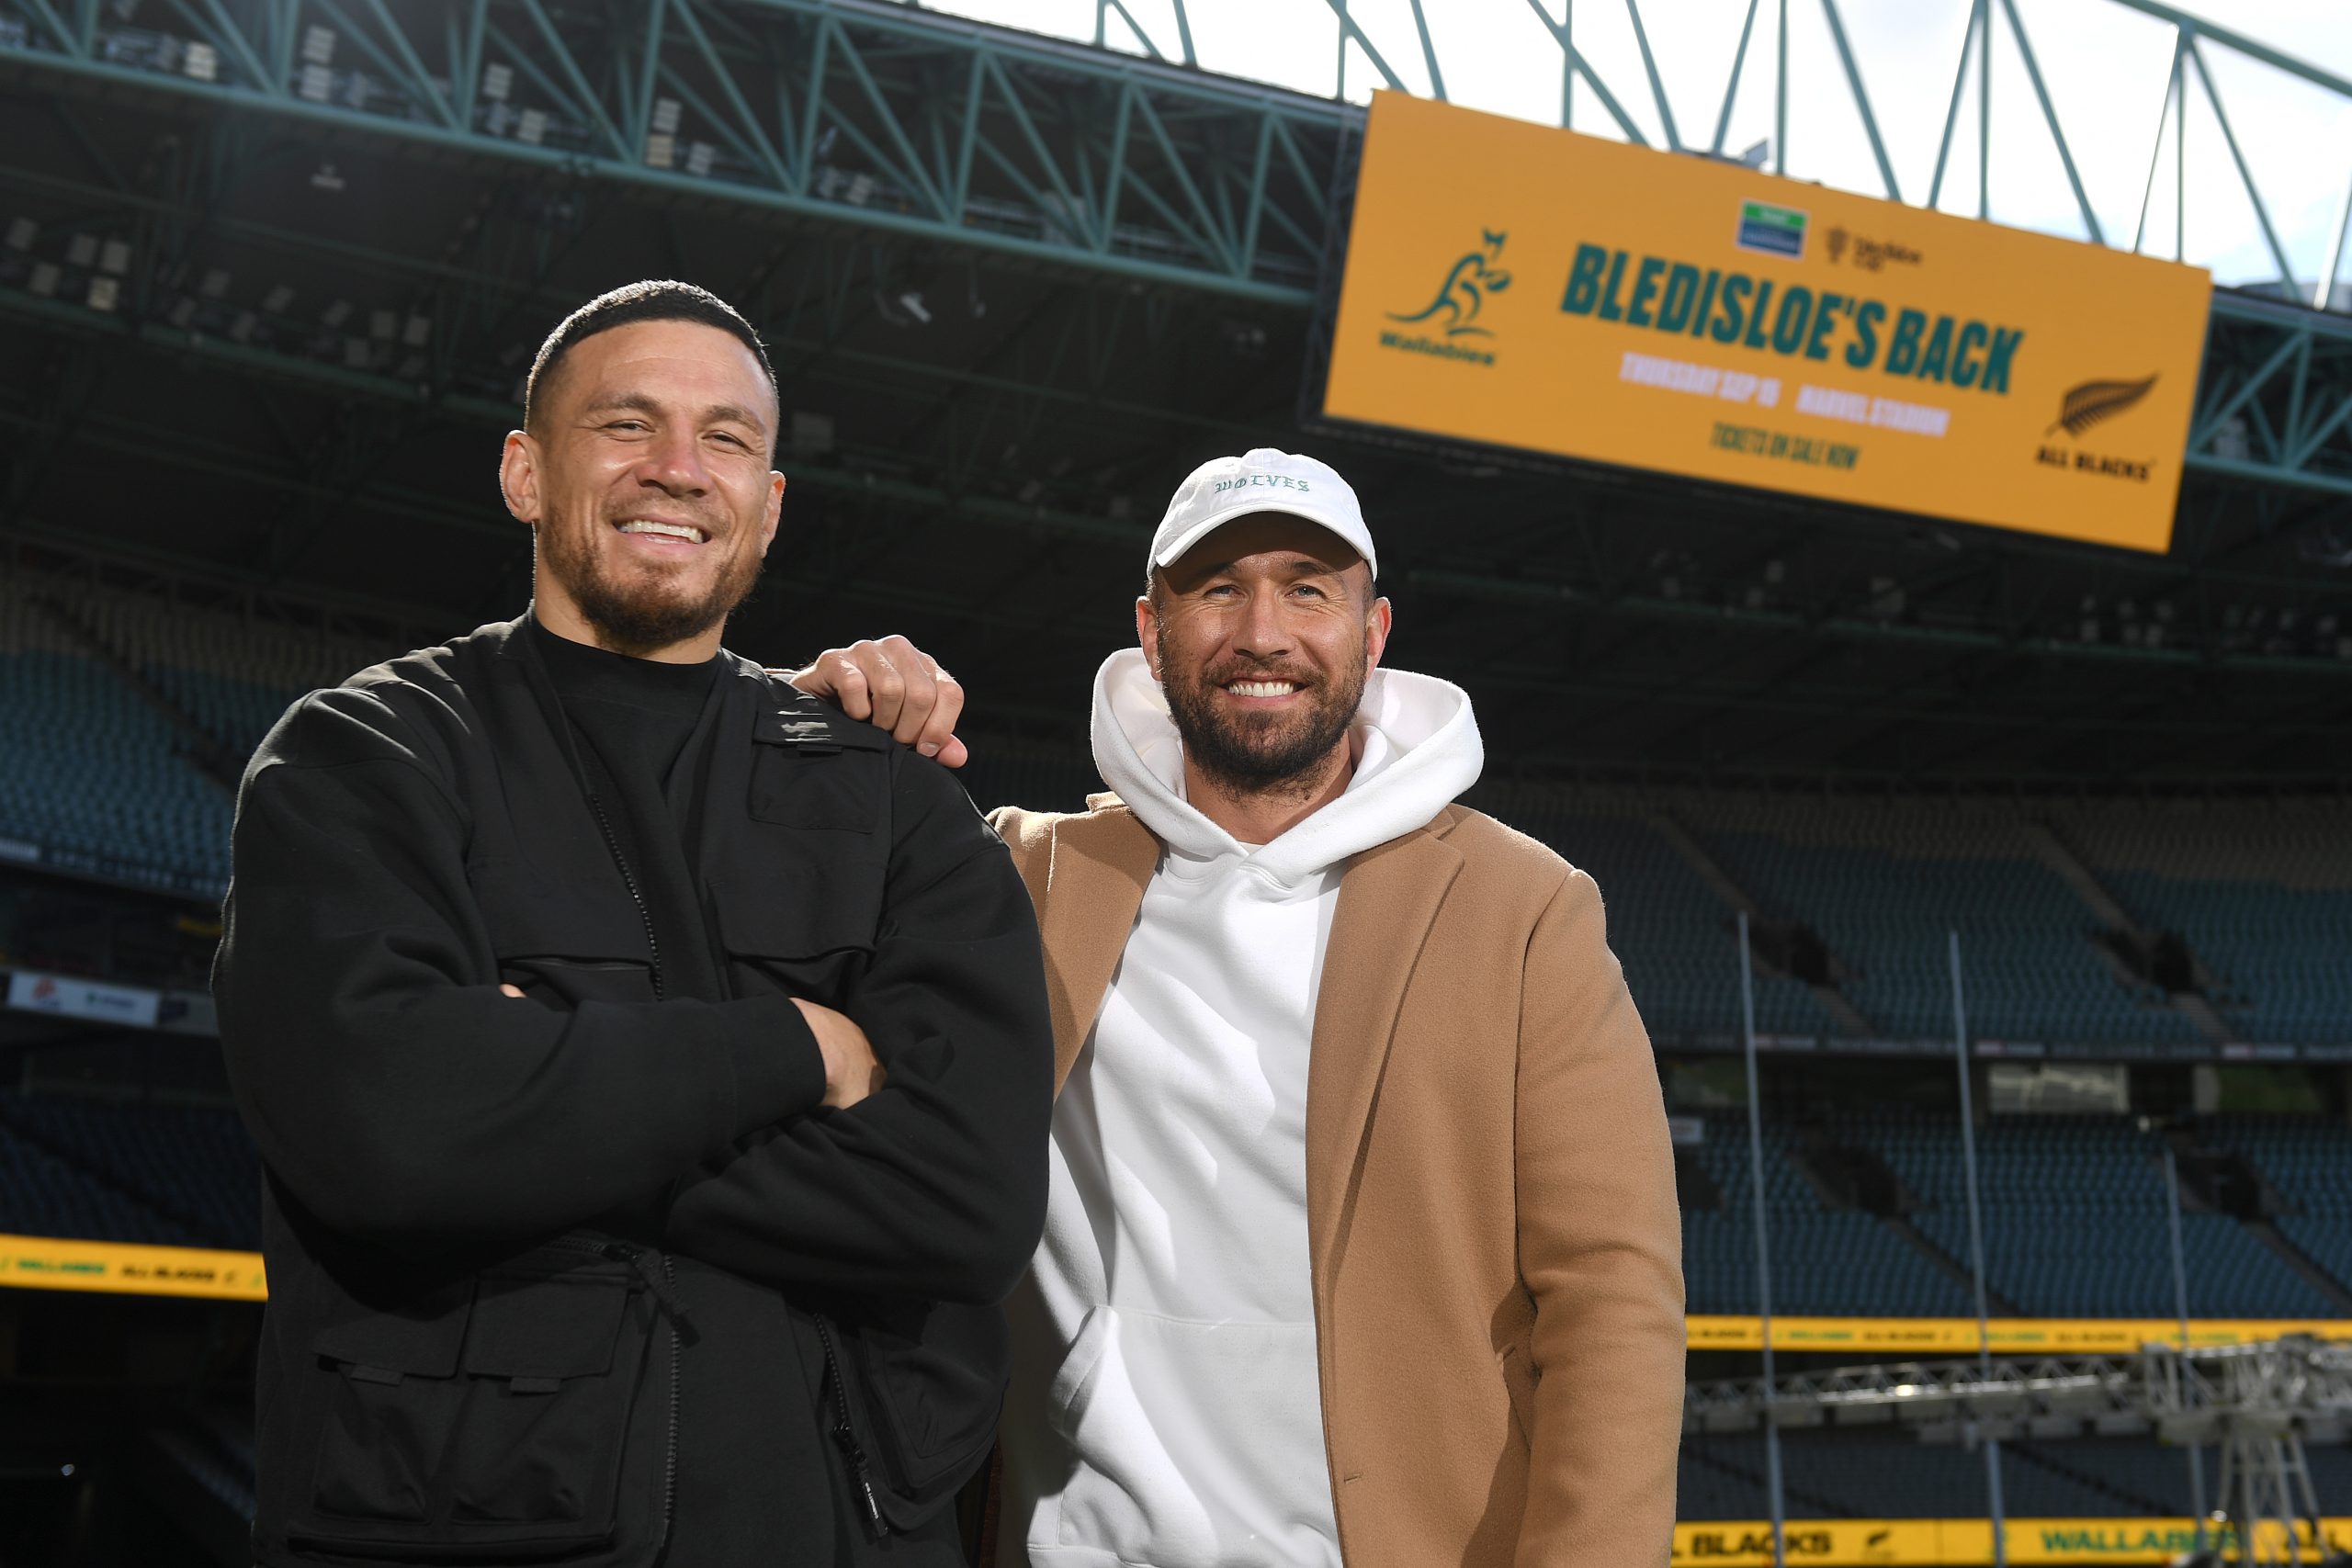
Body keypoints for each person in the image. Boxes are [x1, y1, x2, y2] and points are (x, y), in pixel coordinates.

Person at [215, 279, 1053, 1568]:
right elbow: (391, 1133)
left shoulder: (895, 797)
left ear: (770, 500)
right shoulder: (365, 754)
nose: (679, 469)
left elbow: (966, 1202)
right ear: (524, 471)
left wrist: (539, 1086)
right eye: (626, 423)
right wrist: (796, 1047)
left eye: (728, 439)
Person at [795, 448, 1685, 1568]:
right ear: (1151, 628)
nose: (1262, 633)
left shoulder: (1523, 910)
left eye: (1307, 589)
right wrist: (800, 724)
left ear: (1373, 631)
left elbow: (1612, 1303)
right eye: (1217, 589)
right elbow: (768, 922)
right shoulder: (1021, 879)